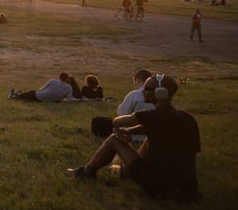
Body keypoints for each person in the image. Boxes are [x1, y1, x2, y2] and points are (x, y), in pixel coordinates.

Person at [67, 75, 200, 202]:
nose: (143, 91)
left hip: (159, 186)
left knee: (113, 139)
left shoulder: (154, 115)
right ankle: (126, 173)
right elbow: (151, 128)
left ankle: (86, 173)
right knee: (149, 139)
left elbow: (122, 121)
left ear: (161, 93)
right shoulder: (186, 117)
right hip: (186, 189)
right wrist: (130, 132)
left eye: (147, 89)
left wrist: (111, 123)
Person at [91, 69, 153, 141]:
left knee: (97, 121)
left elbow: (122, 113)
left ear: (138, 80)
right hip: (149, 134)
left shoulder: (135, 94)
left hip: (131, 133)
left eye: (135, 82)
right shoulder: (157, 96)